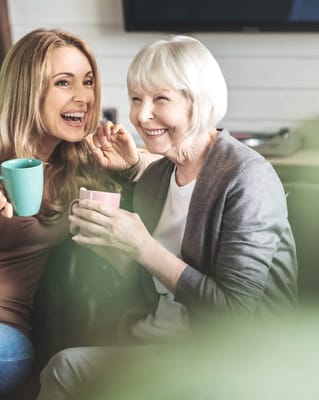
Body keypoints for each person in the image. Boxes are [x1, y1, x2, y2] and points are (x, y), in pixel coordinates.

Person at [36, 35, 298, 399]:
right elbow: (151, 282)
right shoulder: (158, 177)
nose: (142, 116)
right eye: (136, 99)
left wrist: (142, 246)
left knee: (65, 369)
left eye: (161, 99)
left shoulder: (247, 177)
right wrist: (113, 247)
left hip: (234, 357)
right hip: (157, 340)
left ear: (198, 102)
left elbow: (235, 312)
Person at [0, 28, 141, 395]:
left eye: (89, 81)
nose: (84, 97)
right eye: (64, 82)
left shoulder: (78, 168)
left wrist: (131, 170)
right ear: (28, 90)